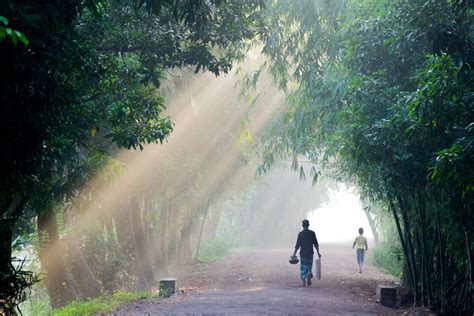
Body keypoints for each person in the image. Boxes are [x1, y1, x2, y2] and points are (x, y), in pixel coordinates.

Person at [292, 219, 321, 287]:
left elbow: (297, 245)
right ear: (308, 225)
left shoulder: (300, 234)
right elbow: (316, 244)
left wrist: (294, 254)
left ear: (302, 225)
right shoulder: (312, 233)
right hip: (310, 253)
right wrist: (318, 253)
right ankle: (308, 273)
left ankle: (303, 280)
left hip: (303, 253)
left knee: (303, 267)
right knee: (308, 266)